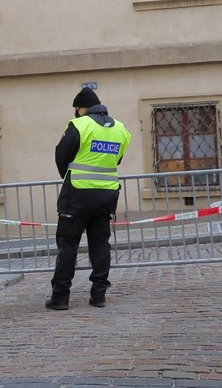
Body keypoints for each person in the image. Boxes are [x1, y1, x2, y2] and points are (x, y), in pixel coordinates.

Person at [46, 87, 131, 311]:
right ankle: (99, 295)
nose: (76, 112)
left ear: (82, 108)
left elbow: (61, 155)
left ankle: (61, 297)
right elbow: (117, 159)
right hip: (107, 195)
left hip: (77, 194)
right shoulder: (121, 129)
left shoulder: (79, 125)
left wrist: (69, 175)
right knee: (101, 244)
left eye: (77, 109)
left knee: (68, 245)